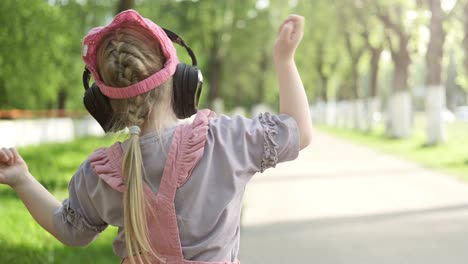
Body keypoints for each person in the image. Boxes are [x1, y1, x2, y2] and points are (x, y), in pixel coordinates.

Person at [0, 9, 312, 264]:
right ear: (183, 81)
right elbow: (298, 130)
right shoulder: (223, 142)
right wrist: (284, 60)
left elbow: (67, 230)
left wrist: (21, 179)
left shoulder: (101, 176)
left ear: (104, 104)